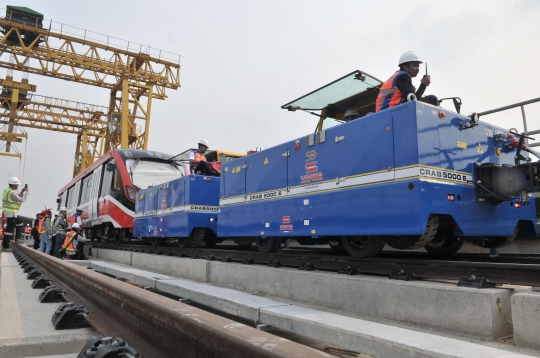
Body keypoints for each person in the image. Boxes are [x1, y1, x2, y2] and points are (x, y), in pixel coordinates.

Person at [1, 177, 28, 250]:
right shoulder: (11, 192)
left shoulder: (7, 190)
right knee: (10, 229)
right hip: (11, 213)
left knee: (20, 223)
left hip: (10, 213)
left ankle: (18, 239)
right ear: (12, 185)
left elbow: (15, 198)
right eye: (16, 185)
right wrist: (26, 193)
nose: (17, 186)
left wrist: (21, 192)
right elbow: (21, 200)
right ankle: (5, 246)